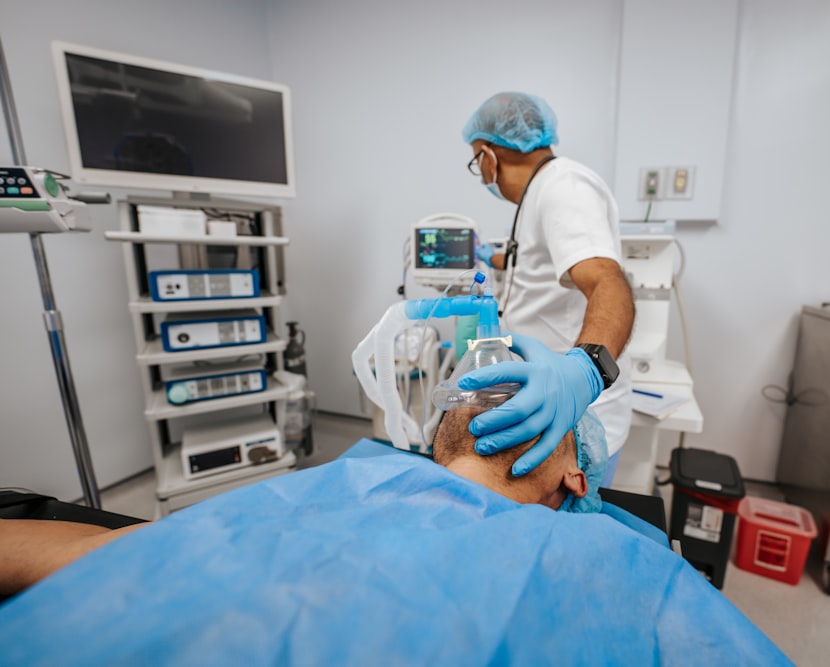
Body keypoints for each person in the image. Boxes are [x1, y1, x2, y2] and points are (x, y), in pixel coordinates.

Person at [0, 407, 604, 597]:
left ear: (574, 476)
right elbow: (78, 556)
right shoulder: (320, 495)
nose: (506, 388)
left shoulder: (577, 571)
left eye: (540, 402)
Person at [458, 91, 635, 484]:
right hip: (544, 405)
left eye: (476, 161)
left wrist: (586, 370)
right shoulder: (540, 192)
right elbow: (543, 265)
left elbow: (607, 281)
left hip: (573, 412)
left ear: (488, 155)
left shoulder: (563, 187)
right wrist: (492, 256)